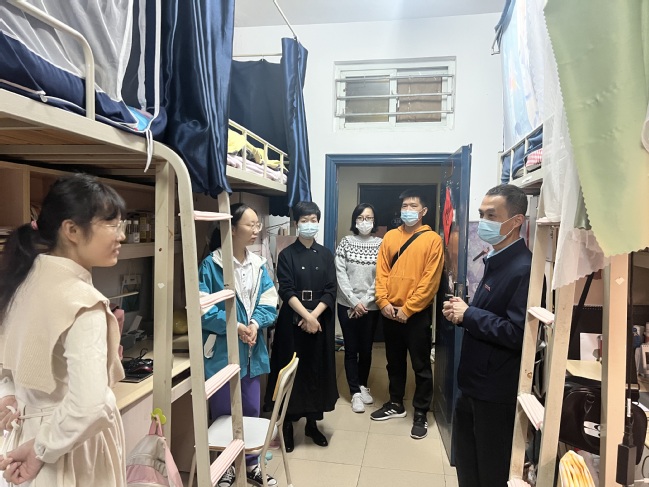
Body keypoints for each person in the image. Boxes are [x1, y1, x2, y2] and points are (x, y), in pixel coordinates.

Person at [0, 174, 127, 486]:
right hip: (67, 448)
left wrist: (9, 395)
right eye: (111, 224)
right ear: (72, 230)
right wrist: (41, 448)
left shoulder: (23, 281)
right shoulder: (83, 303)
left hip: (24, 434)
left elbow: (8, 365)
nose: (122, 235)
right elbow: (88, 405)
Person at [442, 184, 530, 487]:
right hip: (472, 383)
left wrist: (470, 314)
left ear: (516, 221)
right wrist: (462, 313)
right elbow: (491, 314)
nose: (483, 222)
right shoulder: (496, 259)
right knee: (468, 466)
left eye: (492, 215)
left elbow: (518, 333)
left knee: (490, 472)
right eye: (481, 214)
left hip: (495, 392)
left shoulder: (523, 269)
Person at [199, 203, 278, 487]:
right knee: (224, 414)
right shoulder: (211, 265)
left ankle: (251, 464)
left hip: (252, 350)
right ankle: (226, 468)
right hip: (222, 352)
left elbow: (269, 300)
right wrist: (234, 326)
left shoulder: (258, 264)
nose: (256, 230)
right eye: (250, 224)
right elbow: (203, 309)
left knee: (251, 411)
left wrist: (254, 324)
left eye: (258, 225)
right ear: (232, 228)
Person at [371, 189, 444, 440]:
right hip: (390, 311)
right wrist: (383, 302)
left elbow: (430, 281)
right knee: (394, 361)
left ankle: (421, 411)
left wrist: (408, 309)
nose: (408, 210)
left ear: (424, 211)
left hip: (416, 315)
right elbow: (381, 273)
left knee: (421, 365)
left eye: (413, 206)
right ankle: (395, 403)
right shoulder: (390, 237)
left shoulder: (432, 240)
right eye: (405, 206)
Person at [265, 201, 338, 452]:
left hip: (319, 319)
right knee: (290, 370)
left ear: (318, 222)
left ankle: (312, 424)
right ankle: (286, 423)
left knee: (315, 370)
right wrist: (306, 317)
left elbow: (331, 289)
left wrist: (314, 317)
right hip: (293, 320)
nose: (309, 224)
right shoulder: (286, 254)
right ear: (296, 224)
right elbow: (286, 289)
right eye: (304, 220)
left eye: (313, 220)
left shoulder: (326, 254)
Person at [334, 203, 382, 413]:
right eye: (361, 217)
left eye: (369, 218)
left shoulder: (381, 244)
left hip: (371, 307)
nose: (365, 221)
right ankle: (354, 392)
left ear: (374, 221)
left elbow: (382, 276)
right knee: (351, 349)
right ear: (355, 220)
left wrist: (365, 301)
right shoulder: (345, 242)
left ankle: (363, 385)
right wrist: (354, 301)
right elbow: (340, 274)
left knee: (366, 349)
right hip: (347, 305)